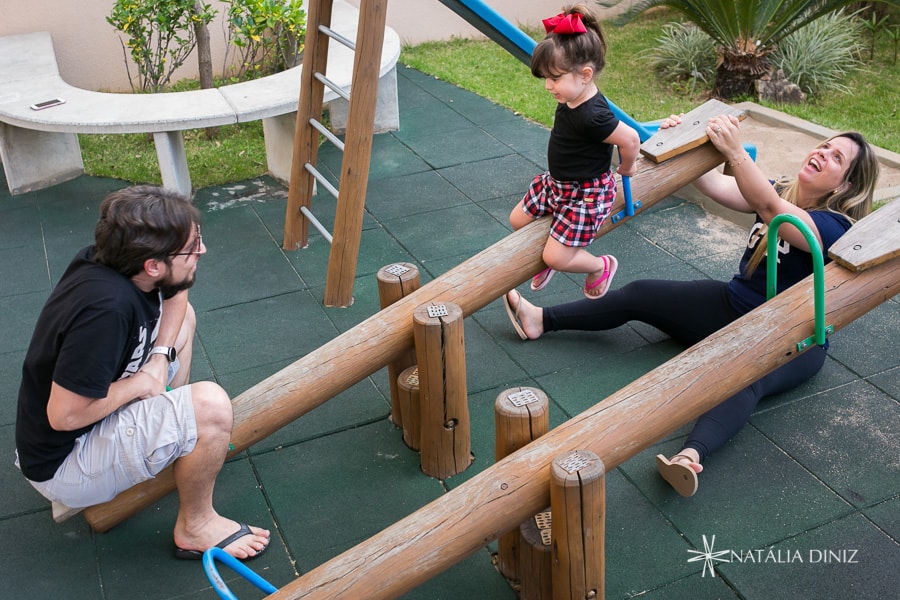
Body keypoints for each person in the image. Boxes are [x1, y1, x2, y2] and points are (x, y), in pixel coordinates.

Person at [503, 114, 879, 496]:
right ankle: (539, 319)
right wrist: (691, 138)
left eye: (836, 157)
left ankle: (689, 458)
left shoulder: (835, 228)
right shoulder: (779, 189)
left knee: (743, 377)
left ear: (847, 185)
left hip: (794, 336)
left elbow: (770, 210)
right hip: (733, 307)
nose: (822, 152)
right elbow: (713, 184)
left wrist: (735, 151)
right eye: (825, 146)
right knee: (641, 293)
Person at [15, 185, 270, 560]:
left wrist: (158, 360)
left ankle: (169, 435)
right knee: (212, 408)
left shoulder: (117, 261)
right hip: (66, 460)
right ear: (153, 266)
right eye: (191, 247)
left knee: (182, 324)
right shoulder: (106, 312)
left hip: (90, 419)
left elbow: (178, 294)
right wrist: (138, 383)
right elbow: (64, 415)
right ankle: (195, 526)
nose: (201, 250)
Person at [509, 4, 640, 300]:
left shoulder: (593, 116)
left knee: (556, 256)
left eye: (554, 78)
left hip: (586, 193)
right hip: (558, 185)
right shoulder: (573, 95)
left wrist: (628, 167)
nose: (547, 86)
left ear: (585, 74)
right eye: (546, 77)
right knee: (517, 220)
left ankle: (598, 266)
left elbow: (630, 139)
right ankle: (551, 255)